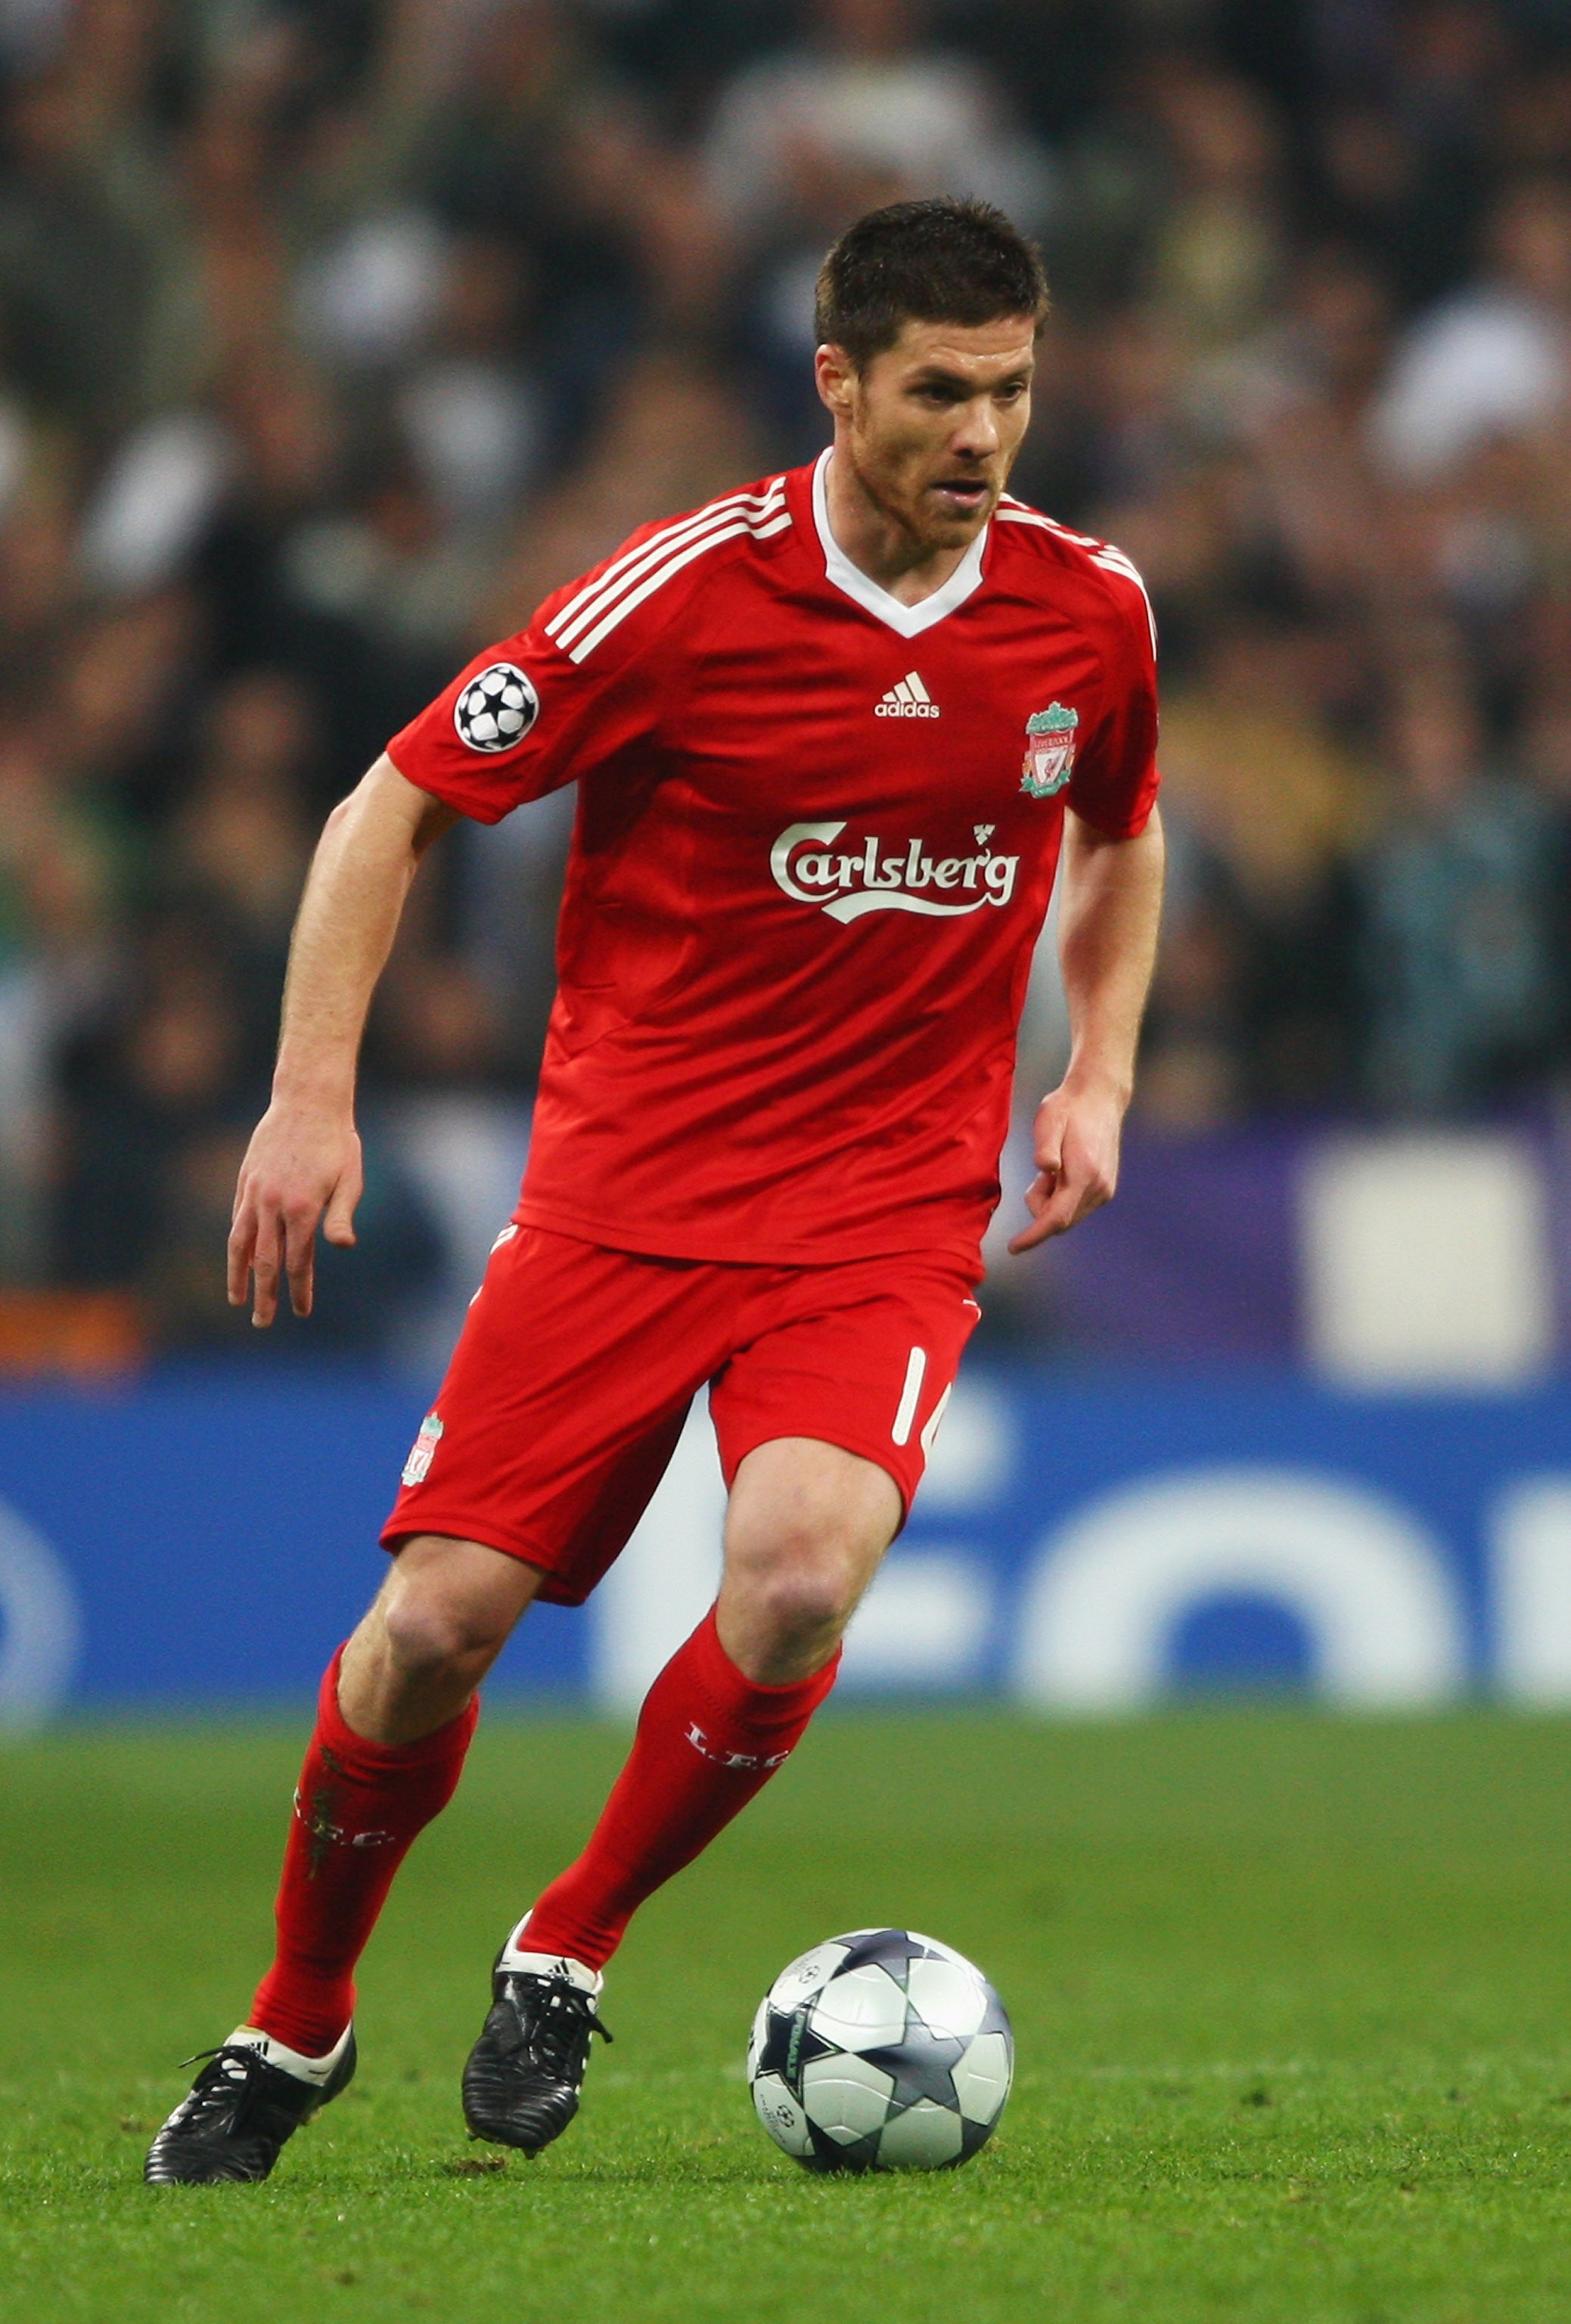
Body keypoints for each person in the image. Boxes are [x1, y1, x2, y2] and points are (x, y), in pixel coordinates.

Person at [144, 197, 1164, 2186]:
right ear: (838, 384)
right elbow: (395, 803)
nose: (983, 436)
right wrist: (307, 1097)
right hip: (623, 1200)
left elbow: (1119, 834)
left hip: (881, 1213)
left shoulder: (1089, 610)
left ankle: (571, 1943)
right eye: (940, 393)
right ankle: (296, 2019)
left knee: (795, 1580)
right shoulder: (679, 597)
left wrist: (1101, 1070)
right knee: (428, 1635)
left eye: (1014, 391)